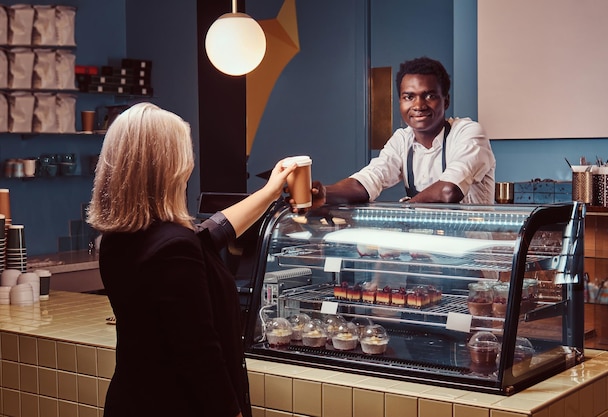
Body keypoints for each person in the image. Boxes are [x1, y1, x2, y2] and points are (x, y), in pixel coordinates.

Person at [87, 102, 296, 417]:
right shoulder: (175, 247)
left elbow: (212, 233)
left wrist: (270, 192)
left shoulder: (119, 238)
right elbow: (200, 356)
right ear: (168, 166)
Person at [301, 56, 495, 208]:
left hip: (473, 253)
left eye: (429, 95)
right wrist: (324, 193)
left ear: (446, 101)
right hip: (425, 254)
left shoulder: (468, 133)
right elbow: (369, 180)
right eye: (409, 97)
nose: (419, 105)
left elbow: (449, 190)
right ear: (400, 102)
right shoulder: (402, 139)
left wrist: (406, 212)